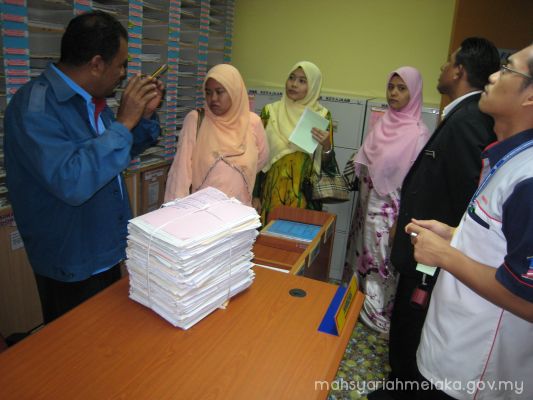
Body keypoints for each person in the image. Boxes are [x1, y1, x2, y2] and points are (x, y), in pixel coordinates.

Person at [4, 11, 164, 324]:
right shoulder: (35, 107)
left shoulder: (91, 101)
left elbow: (118, 153)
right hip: (70, 264)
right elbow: (72, 181)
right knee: (76, 349)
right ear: (96, 64)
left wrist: (142, 117)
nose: (123, 74)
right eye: (121, 65)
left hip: (106, 249)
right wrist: (123, 122)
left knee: (109, 340)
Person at [371, 38, 500, 400]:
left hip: (432, 252)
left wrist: (444, 244)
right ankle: (398, 384)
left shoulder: (469, 120)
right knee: (406, 322)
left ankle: (401, 389)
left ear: (459, 71)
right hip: (425, 243)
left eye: (448, 62)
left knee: (412, 325)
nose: (442, 68)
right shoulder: (460, 115)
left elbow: (465, 193)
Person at [407, 43, 533, 400]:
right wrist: (454, 235)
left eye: (507, 69)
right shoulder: (509, 157)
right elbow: (500, 243)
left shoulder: (528, 179)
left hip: (475, 375)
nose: (492, 76)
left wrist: (445, 255)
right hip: (452, 350)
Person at [342, 67, 430, 334]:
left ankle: (377, 321)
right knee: (360, 260)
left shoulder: (418, 134)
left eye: (402, 88)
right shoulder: (382, 123)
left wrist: (401, 221)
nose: (393, 93)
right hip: (365, 209)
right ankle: (354, 313)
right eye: (391, 87)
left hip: (388, 215)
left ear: (414, 93)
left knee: (380, 266)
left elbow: (416, 185)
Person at [164, 63, 268, 206]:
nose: (213, 98)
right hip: (203, 211)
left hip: (240, 212)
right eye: (208, 92)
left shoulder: (253, 122)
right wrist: (175, 211)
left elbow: (261, 159)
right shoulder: (196, 120)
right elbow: (181, 172)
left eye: (219, 92)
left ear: (234, 91)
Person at [252, 61, 334, 223]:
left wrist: (326, 146)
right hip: (270, 195)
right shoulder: (270, 112)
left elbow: (327, 165)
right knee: (268, 237)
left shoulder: (321, 116)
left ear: (313, 86)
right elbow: (256, 157)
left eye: (302, 81)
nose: (294, 84)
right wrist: (254, 195)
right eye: (291, 78)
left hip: (304, 198)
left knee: (297, 235)